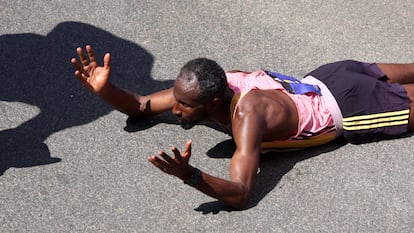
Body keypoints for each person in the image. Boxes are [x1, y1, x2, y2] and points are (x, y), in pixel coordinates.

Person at [71, 45, 414, 209]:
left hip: (353, 106)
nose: (174, 109)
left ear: (215, 104)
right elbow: (142, 106)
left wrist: (191, 175)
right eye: (177, 98)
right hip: (330, 75)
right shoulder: (218, 83)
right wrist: (106, 90)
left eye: (185, 105)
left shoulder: (247, 116)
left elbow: (241, 193)